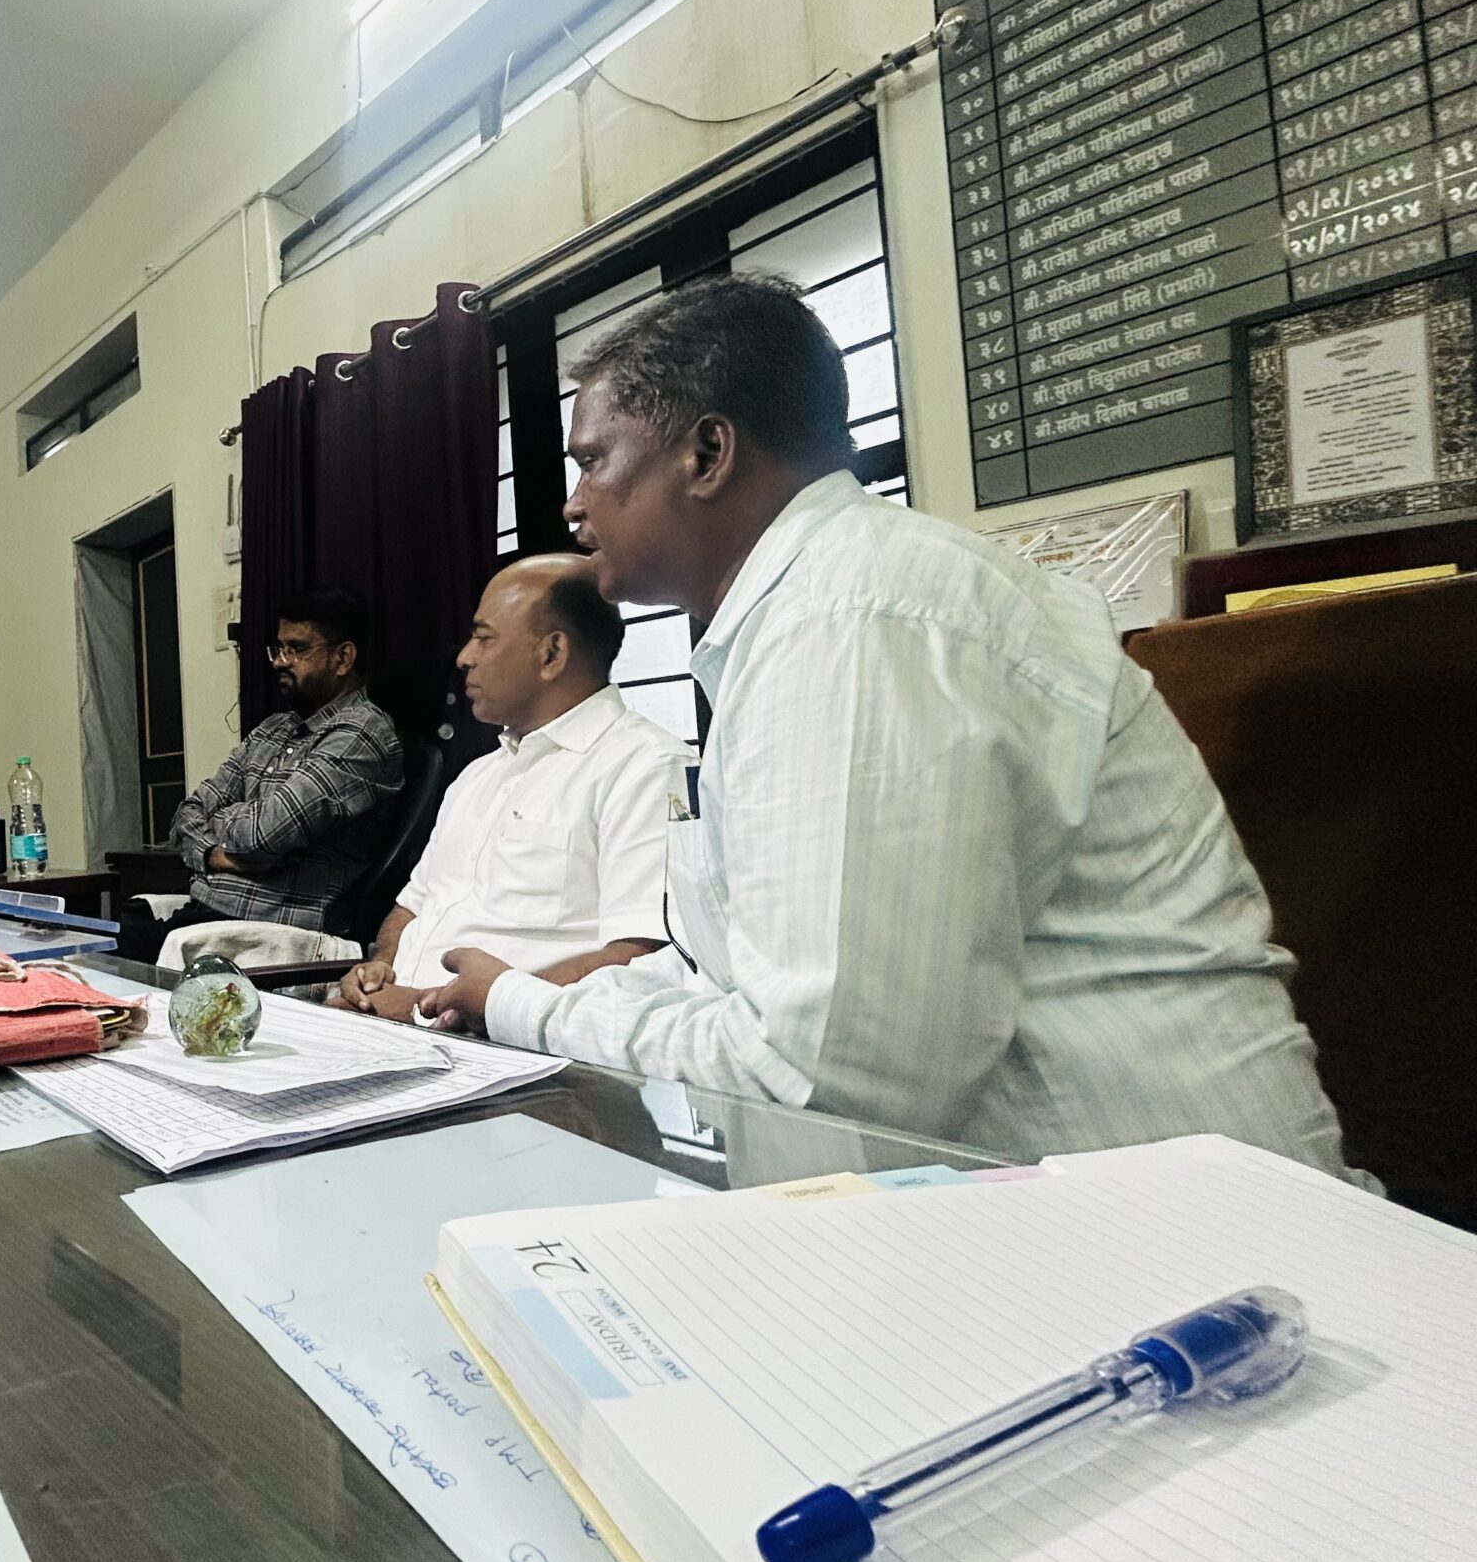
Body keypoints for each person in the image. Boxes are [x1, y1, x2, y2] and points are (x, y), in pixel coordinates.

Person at [418, 273, 1358, 1178]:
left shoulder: (853, 619)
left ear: (707, 454)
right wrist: (522, 998)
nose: (572, 502)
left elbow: (827, 1078)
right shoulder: (810, 611)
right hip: (1041, 1198)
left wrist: (531, 1011)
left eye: (592, 461)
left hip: (1183, 1228)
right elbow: (743, 982)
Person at [336, 555, 687, 1021]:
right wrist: (379, 969)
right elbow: (411, 908)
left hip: (506, 1044)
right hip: (395, 1024)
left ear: (552, 654)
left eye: (483, 637)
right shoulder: (477, 775)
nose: (464, 657)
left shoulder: (646, 768)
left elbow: (642, 956)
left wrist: (432, 1005)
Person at [118, 588, 403, 965]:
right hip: (206, 920)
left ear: (343, 658)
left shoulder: (363, 734)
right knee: (94, 945)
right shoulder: (273, 729)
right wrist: (214, 854)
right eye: (278, 648)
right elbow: (186, 814)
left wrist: (229, 823)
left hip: (268, 935)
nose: (280, 661)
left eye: (297, 649)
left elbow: (263, 834)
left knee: (105, 963)